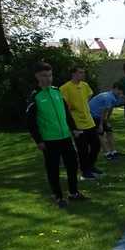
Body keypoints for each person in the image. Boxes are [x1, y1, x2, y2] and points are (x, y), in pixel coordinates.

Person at [27, 63, 88, 208]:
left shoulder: (57, 92)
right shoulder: (35, 96)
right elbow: (30, 122)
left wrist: (73, 129)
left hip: (65, 137)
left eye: (50, 75)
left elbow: (66, 113)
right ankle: (58, 196)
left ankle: (73, 193)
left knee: (72, 165)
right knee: (53, 169)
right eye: (44, 76)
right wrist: (38, 140)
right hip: (49, 140)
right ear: (37, 76)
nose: (48, 79)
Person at [60, 66, 102, 179]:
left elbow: (89, 95)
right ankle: (85, 170)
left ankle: (91, 165)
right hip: (77, 123)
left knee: (96, 145)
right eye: (80, 72)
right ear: (73, 74)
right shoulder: (65, 88)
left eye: (83, 72)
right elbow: (64, 106)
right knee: (82, 148)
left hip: (89, 120)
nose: (83, 75)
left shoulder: (85, 85)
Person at [89, 82, 125, 160]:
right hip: (93, 115)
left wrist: (107, 121)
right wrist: (101, 125)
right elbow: (104, 112)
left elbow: (110, 109)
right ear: (114, 89)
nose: (121, 92)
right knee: (100, 134)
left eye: (122, 91)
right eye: (119, 90)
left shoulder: (114, 96)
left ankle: (113, 152)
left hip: (101, 115)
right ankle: (107, 154)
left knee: (109, 132)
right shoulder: (108, 97)